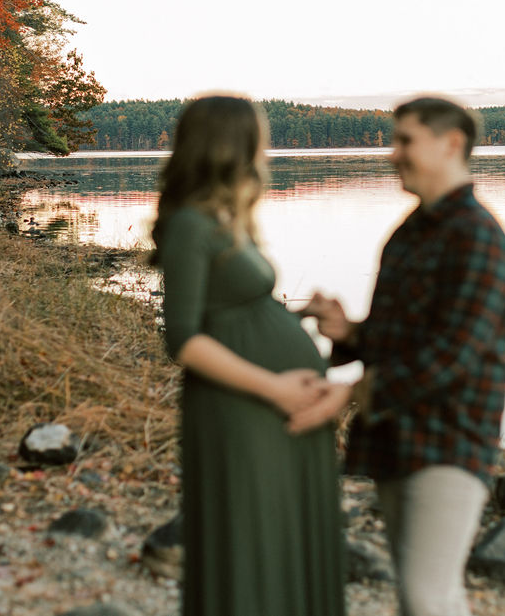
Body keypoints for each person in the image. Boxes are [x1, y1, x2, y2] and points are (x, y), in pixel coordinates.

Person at [291, 95, 505, 616]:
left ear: (451, 144)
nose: (392, 153)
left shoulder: (479, 238)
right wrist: (348, 332)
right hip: (396, 433)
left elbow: (454, 354)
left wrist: (352, 391)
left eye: (405, 141)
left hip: (450, 438)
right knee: (425, 596)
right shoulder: (410, 232)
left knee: (427, 596)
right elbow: (402, 340)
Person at [151, 94, 345, 616]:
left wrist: (299, 316)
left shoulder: (224, 218)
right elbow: (184, 339)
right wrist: (275, 387)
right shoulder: (191, 224)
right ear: (231, 146)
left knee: (281, 532)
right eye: (259, 139)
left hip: (272, 405)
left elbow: (232, 315)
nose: (266, 151)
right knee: (250, 535)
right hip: (242, 407)